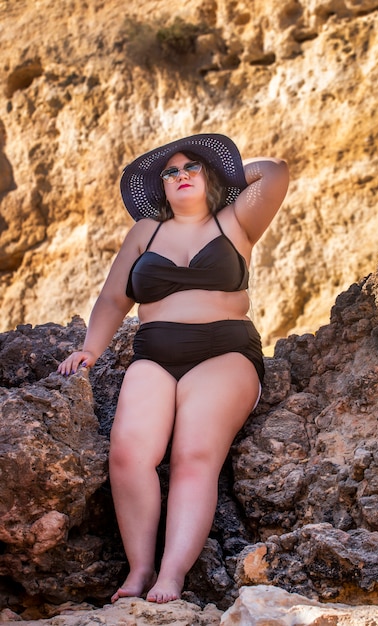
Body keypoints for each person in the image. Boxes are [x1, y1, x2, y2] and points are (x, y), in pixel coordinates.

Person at [58, 133, 289, 604]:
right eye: (170, 173)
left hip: (224, 353)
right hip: (155, 354)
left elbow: (275, 172)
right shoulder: (146, 231)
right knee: (127, 454)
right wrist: (91, 349)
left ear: (209, 177)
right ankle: (140, 568)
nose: (181, 176)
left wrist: (222, 176)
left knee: (192, 456)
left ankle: (172, 573)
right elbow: (113, 297)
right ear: (160, 188)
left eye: (191, 169)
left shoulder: (236, 220)